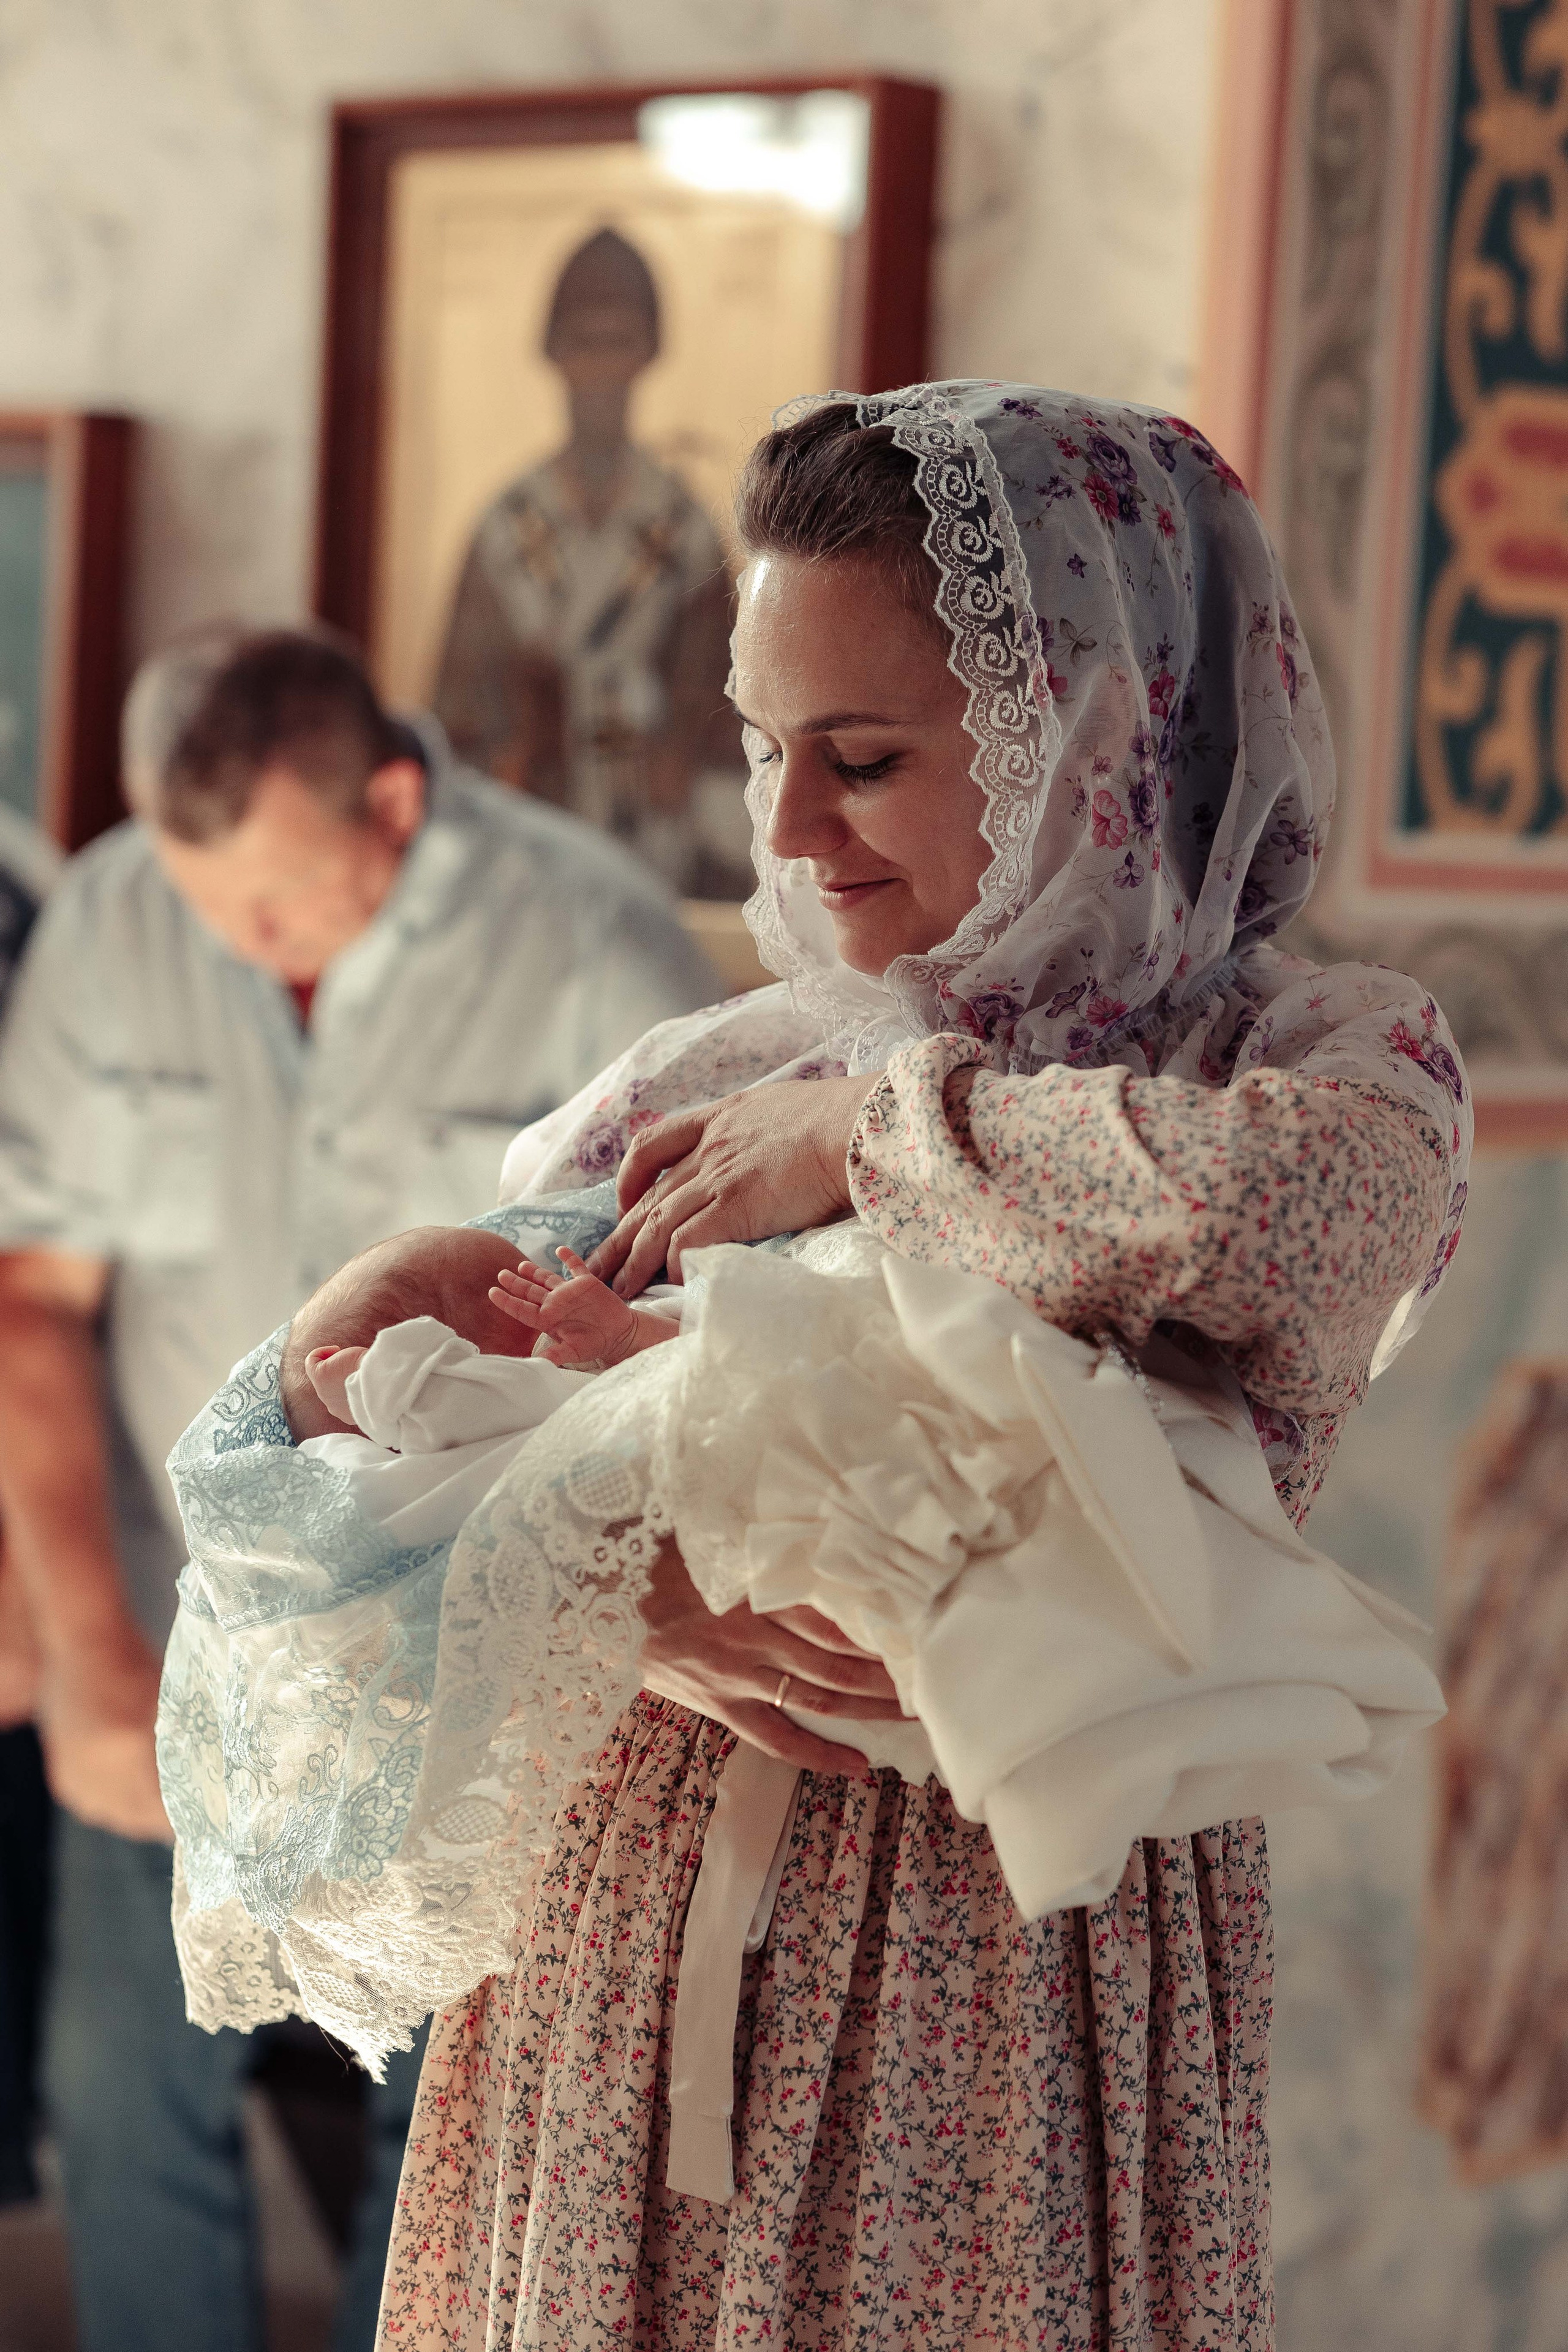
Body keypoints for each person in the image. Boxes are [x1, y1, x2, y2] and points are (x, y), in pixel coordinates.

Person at [167, 388, 1472, 2349]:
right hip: (608, 1976)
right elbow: (317, 1507)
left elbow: (1287, 1217)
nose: (782, 828)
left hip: (1003, 2001)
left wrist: (872, 1136)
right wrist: (532, 1520)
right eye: (767, 748)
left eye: (859, 758)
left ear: (1095, 740)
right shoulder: (710, 1074)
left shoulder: (1301, 1070)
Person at [0, 626, 715, 2352]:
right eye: (204, 906)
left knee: (459, 2144)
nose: (236, 942)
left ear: (391, 801)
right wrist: (89, 1668)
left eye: (273, 907)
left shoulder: (595, 941)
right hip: (179, 1645)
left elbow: (667, 1349)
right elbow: (33, 1306)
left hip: (474, 1671)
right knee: (124, 2108)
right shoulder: (110, 921)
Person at [431, 226, 746, 892]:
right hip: (531, 822)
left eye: (618, 342)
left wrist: (683, 755)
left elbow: (724, 694)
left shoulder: (682, 525)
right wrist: (515, 744)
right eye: (583, 342)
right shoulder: (506, 527)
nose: (601, 368)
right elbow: (460, 707)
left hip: (654, 832)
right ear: (553, 351)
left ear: (648, 352)